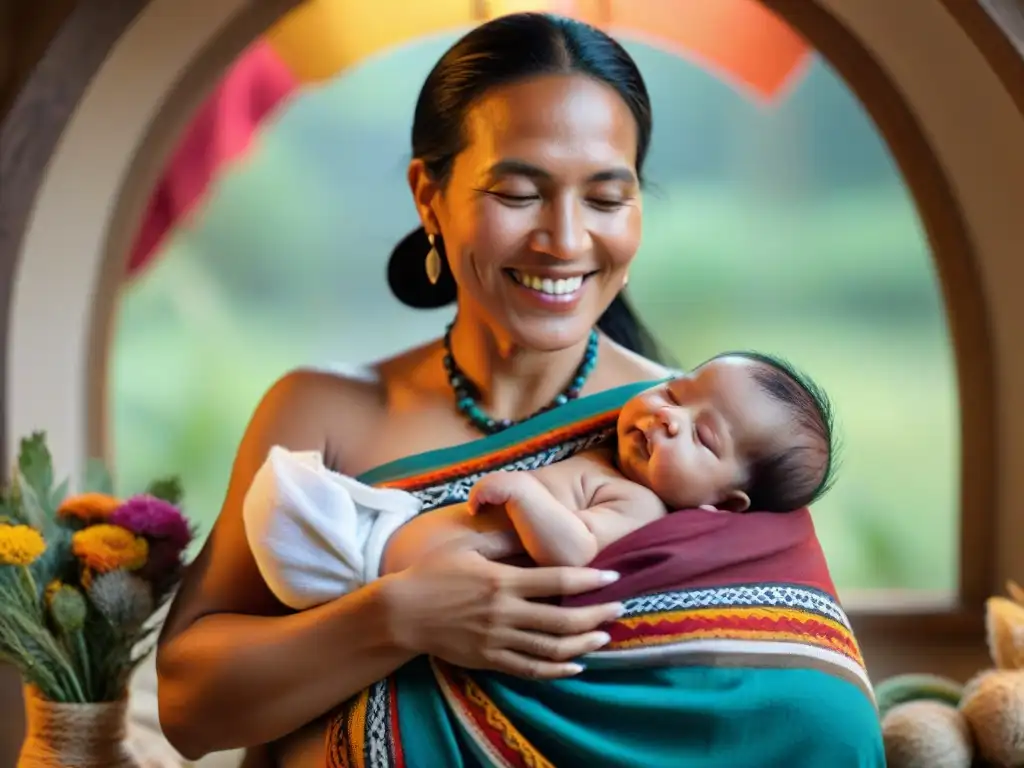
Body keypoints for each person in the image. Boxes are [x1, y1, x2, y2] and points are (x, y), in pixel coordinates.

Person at [156, 13, 883, 768]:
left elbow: (812, 711)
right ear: (428, 196)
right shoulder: (321, 410)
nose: (566, 241)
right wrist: (398, 617)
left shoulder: (698, 444)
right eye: (518, 192)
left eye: (605, 199)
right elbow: (188, 707)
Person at [243, 351, 839, 613]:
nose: (667, 415)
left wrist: (527, 496)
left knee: (285, 501)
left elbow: (577, 550)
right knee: (283, 493)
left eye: (702, 437)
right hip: (389, 534)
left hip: (366, 565)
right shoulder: (604, 441)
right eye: (676, 391)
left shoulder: (636, 504)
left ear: (725, 504)